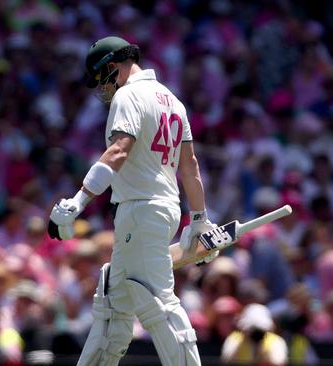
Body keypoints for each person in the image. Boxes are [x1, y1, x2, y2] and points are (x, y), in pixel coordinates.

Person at [48, 36, 218, 366]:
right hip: (162, 208)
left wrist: (77, 201)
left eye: (101, 80)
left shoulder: (128, 95)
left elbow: (119, 150)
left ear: (113, 67)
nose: (103, 90)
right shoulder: (172, 100)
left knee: (157, 302)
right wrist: (198, 218)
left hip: (141, 207)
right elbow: (190, 166)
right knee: (113, 302)